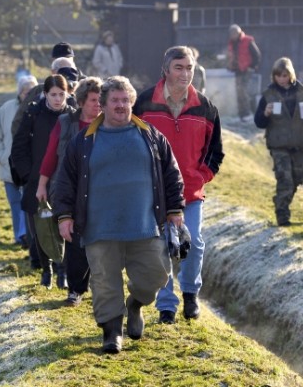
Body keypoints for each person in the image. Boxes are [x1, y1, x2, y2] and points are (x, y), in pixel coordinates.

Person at [52, 76, 185, 354]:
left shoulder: (150, 135)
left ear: (132, 103)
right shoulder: (84, 141)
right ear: (102, 105)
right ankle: (112, 333)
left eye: (125, 100)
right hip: (99, 228)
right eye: (115, 100)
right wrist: (64, 215)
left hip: (145, 226)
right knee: (104, 282)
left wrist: (174, 210)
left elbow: (172, 174)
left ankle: (135, 304)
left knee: (156, 275)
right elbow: (65, 180)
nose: (121, 105)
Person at [133, 46, 224, 325]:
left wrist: (200, 176)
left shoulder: (206, 107)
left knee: (193, 243)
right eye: (179, 68)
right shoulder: (145, 103)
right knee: (161, 248)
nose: (185, 74)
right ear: (166, 69)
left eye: (189, 68)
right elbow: (132, 142)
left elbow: (215, 151)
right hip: (154, 192)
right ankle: (166, 305)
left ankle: (190, 294)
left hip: (191, 193)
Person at [36, 77, 103, 306]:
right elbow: (51, 154)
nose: (98, 105)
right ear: (82, 101)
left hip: (100, 191)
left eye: (101, 100)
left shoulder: (109, 125)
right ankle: (75, 290)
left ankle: (101, 286)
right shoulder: (65, 123)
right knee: (75, 241)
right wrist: (42, 185)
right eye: (94, 100)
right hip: (70, 189)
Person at [11, 74, 76, 289]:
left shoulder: (72, 116)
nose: (58, 99)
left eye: (61, 94)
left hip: (64, 180)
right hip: (36, 179)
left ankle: (62, 271)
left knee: (64, 226)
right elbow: (19, 147)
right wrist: (29, 175)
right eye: (53, 95)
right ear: (45, 94)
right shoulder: (33, 114)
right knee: (39, 227)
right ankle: (46, 269)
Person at [254, 57, 303, 226]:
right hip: (278, 144)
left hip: (299, 143)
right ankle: (282, 215)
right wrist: (265, 114)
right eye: (278, 76)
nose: (282, 79)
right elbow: (259, 122)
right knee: (285, 180)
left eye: (284, 75)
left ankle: (281, 203)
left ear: (291, 75)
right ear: (273, 76)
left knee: (297, 179)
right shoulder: (268, 95)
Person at [0, 75, 38, 247]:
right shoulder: (6, 109)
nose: (28, 95)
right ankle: (19, 236)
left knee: (27, 203)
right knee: (15, 203)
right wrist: (1, 157)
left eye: (32, 92)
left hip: (29, 168)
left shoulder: (39, 109)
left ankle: (28, 236)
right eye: (26, 92)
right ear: (19, 93)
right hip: (9, 167)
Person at [227, 24, 261, 122]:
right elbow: (231, 56)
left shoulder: (248, 40)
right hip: (237, 70)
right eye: (230, 34)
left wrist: (253, 67)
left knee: (243, 90)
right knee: (238, 91)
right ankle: (241, 114)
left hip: (247, 69)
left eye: (233, 33)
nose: (231, 35)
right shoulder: (232, 43)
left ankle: (247, 113)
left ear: (238, 32)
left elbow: (257, 55)